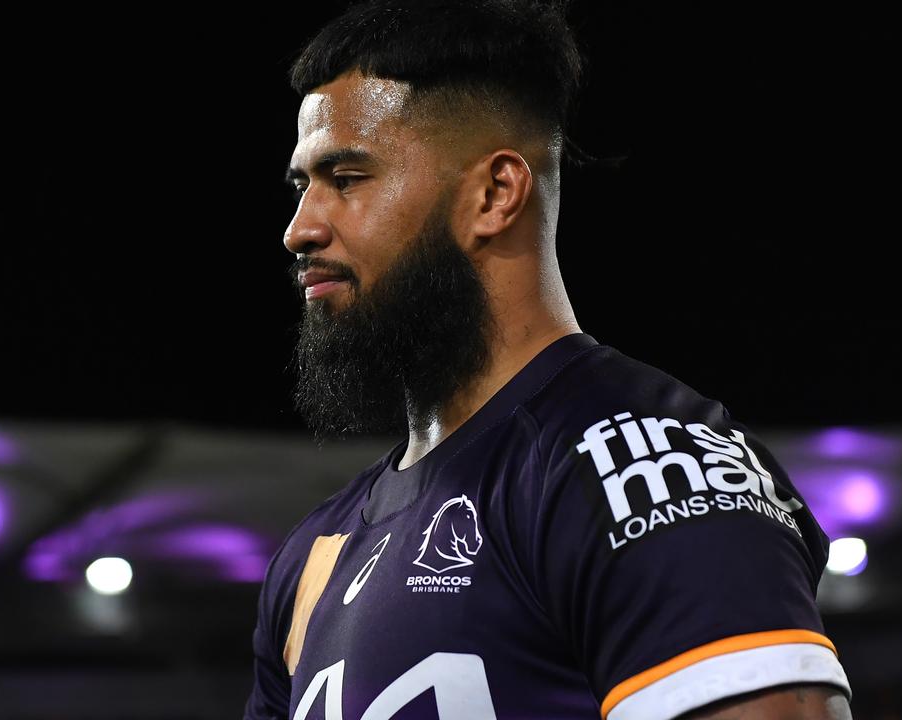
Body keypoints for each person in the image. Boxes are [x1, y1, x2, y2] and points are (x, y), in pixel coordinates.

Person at [246, 1, 854, 718]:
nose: (300, 229)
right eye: (301, 186)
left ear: (495, 194)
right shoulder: (315, 554)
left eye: (346, 178)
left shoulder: (641, 468)